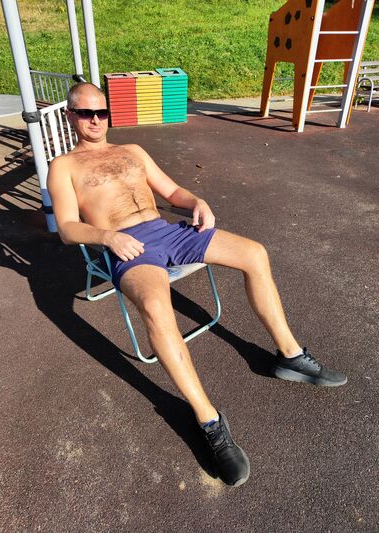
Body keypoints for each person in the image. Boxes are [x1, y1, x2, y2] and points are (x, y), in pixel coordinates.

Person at [48, 83, 347, 487]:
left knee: (255, 253)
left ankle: (290, 357)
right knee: (157, 309)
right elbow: (67, 228)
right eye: (86, 113)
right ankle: (209, 421)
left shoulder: (132, 150)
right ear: (71, 116)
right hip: (126, 245)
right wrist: (108, 238)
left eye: (102, 112)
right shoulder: (64, 166)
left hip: (168, 231)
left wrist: (196, 202)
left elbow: (172, 191)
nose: (96, 120)